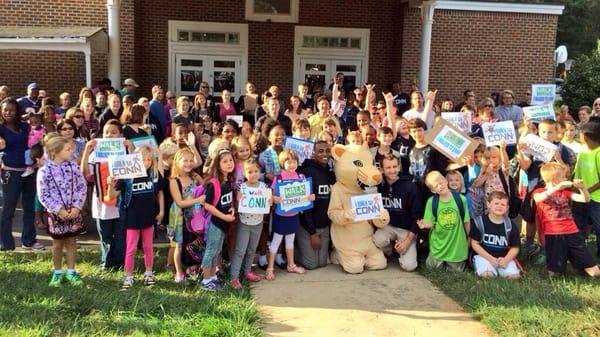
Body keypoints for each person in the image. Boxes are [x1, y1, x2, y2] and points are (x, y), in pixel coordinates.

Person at [108, 146, 164, 289]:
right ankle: (128, 276)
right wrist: (111, 184)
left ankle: (149, 273)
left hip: (148, 216)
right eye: (142, 159)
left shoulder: (153, 174)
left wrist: (162, 211)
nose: (145, 162)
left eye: (148, 160)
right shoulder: (127, 176)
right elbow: (111, 196)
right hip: (131, 218)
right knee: (131, 248)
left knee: (148, 247)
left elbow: (160, 192)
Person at [532, 162, 600, 277]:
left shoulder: (565, 192)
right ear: (554, 179)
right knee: (555, 274)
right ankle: (557, 263)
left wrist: (583, 188)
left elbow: (585, 199)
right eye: (563, 177)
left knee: (595, 273)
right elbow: (539, 199)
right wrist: (557, 188)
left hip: (572, 232)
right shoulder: (539, 191)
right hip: (554, 234)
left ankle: (579, 264)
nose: (566, 178)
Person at [80, 120, 130, 271]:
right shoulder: (96, 152)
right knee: (105, 233)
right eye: (107, 132)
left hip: (120, 199)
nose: (109, 135)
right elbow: (86, 174)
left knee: (120, 234)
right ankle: (106, 263)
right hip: (101, 198)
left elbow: (136, 172)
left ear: (121, 135)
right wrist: (87, 151)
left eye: (114, 132)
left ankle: (120, 263)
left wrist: (131, 149)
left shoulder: (126, 152)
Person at [38, 136, 87, 286]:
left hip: (73, 212)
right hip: (56, 214)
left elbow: (82, 187)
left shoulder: (73, 167)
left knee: (72, 242)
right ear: (55, 151)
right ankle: (57, 272)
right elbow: (43, 194)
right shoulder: (44, 171)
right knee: (57, 244)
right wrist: (58, 210)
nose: (71, 151)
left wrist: (77, 207)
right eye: (67, 149)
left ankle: (71, 271)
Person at [0, 97, 44, 250]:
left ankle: (29, 240)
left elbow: (37, 141)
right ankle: (5, 243)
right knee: (9, 209)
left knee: (29, 207)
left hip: (30, 172)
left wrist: (37, 152)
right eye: (5, 110)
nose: (8, 113)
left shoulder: (26, 127)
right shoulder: (0, 128)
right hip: (11, 173)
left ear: (17, 111)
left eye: (11, 110)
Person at [267, 150, 315, 280]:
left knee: (290, 241)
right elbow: (270, 195)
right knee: (276, 241)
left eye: (294, 162)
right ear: (282, 163)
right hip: (280, 216)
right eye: (289, 162)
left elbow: (307, 195)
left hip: (294, 215)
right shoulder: (279, 178)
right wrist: (274, 198)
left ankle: (291, 265)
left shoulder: (301, 177)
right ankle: (270, 267)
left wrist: (311, 197)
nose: (292, 164)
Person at [373, 154, 423, 271]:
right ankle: (390, 250)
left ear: (399, 167)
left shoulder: (410, 186)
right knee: (378, 240)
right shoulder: (378, 186)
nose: (392, 170)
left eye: (395, 166)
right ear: (381, 169)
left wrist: (407, 241)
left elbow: (418, 216)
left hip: (406, 230)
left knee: (409, 266)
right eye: (388, 168)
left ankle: (403, 248)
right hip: (388, 226)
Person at [417, 171, 470, 271]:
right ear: (433, 190)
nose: (440, 186)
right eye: (436, 185)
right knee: (432, 268)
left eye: (441, 182)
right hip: (439, 245)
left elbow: (466, 221)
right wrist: (425, 225)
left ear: (446, 181)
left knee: (455, 272)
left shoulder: (461, 199)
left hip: (456, 245)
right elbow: (430, 222)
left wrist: (468, 240)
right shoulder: (432, 202)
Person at [230, 158, 270, 288]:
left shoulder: (264, 187)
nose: (253, 174)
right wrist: (238, 199)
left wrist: (270, 201)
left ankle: (247, 271)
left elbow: (268, 202)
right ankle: (234, 277)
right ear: (245, 174)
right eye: (250, 171)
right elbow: (237, 203)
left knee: (252, 249)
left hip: (258, 222)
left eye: (256, 171)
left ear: (260, 172)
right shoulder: (242, 187)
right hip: (244, 223)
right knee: (240, 250)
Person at [200, 149, 236, 291]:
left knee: (218, 250)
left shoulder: (228, 180)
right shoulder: (214, 183)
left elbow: (225, 200)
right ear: (218, 164)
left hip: (223, 223)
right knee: (211, 249)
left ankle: (213, 276)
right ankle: (205, 280)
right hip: (215, 222)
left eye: (231, 160)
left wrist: (231, 208)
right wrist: (224, 217)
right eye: (225, 161)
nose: (229, 164)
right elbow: (208, 205)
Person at [168, 148, 204, 286]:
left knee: (195, 241)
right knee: (179, 245)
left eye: (191, 160)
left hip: (195, 217)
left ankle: (192, 267)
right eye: (185, 161)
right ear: (177, 162)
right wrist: (198, 200)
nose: (189, 163)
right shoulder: (174, 180)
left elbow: (204, 188)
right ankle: (179, 273)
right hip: (179, 217)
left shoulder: (195, 177)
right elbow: (180, 202)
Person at [297, 141, 335, 270]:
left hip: (323, 226)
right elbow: (305, 206)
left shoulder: (330, 172)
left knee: (322, 263)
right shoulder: (307, 172)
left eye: (327, 151)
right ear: (313, 153)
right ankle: (292, 249)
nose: (325, 154)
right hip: (307, 227)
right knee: (311, 265)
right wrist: (312, 233)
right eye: (320, 151)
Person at [470, 191, 521, 279]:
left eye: (503, 204)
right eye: (496, 203)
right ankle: (490, 270)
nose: (499, 206)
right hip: (484, 256)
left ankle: (501, 270)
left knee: (514, 277)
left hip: (503, 257)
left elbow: (515, 247)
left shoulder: (510, 225)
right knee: (487, 276)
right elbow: (474, 243)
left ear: (507, 207)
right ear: (488, 204)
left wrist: (506, 260)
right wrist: (491, 259)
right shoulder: (479, 222)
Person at [573, 121, 600, 255]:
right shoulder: (582, 152)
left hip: (596, 199)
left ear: (586, 137)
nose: (579, 136)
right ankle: (578, 252)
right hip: (580, 197)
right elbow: (577, 172)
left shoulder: (599, 154)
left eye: (580, 134)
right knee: (578, 226)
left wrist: (587, 191)